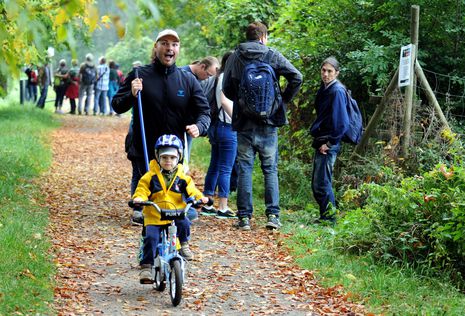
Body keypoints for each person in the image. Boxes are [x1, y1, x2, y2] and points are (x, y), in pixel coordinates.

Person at [112, 29, 210, 225]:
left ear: (178, 49)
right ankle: (142, 214)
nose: (169, 48)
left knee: (173, 195)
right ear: (156, 47)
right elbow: (117, 105)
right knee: (145, 182)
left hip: (173, 148)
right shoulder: (139, 75)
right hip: (144, 144)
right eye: (164, 43)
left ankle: (176, 237)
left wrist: (199, 127)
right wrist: (131, 94)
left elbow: (204, 112)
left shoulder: (187, 80)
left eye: (174, 44)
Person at [223, 21, 303, 230]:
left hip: (244, 123)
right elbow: (297, 77)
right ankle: (273, 217)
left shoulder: (235, 56)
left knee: (245, 169)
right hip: (269, 122)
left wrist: (241, 101)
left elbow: (226, 88)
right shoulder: (272, 54)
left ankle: (244, 218)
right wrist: (281, 101)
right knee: (270, 169)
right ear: (263, 37)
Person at [133, 134, 208, 282]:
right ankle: (146, 267)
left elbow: (193, 191)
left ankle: (184, 245)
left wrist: (200, 198)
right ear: (157, 157)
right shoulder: (150, 177)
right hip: (155, 215)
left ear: (178, 158)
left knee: (185, 223)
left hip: (176, 213)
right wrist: (139, 199)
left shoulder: (183, 178)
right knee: (151, 237)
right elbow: (142, 189)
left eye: (172, 158)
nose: (168, 161)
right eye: (164, 157)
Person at [309, 57, 349, 224]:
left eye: (329, 71)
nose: (325, 74)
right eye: (323, 70)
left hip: (328, 143)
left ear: (337, 73)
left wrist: (330, 143)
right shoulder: (325, 88)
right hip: (322, 140)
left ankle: (330, 219)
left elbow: (342, 123)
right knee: (318, 183)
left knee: (322, 183)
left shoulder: (337, 91)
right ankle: (326, 216)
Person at [201, 51, 237, 218]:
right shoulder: (225, 78)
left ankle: (208, 202)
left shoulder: (218, 77)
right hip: (226, 127)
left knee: (215, 165)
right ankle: (222, 206)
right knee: (225, 168)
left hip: (216, 126)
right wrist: (237, 120)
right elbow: (224, 101)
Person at [180, 56, 220, 164]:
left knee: (184, 162)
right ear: (202, 66)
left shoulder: (200, 79)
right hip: (177, 126)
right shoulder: (182, 73)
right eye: (208, 75)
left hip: (189, 127)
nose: (207, 79)